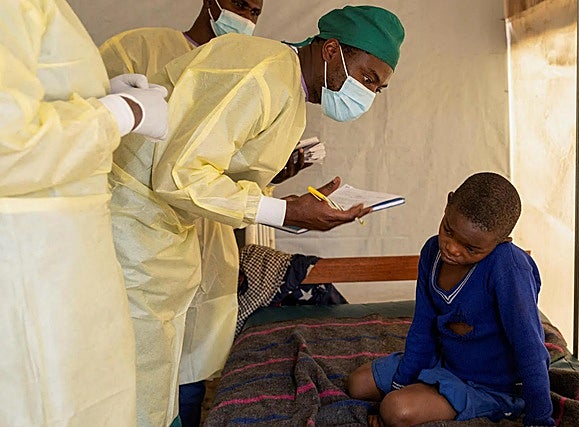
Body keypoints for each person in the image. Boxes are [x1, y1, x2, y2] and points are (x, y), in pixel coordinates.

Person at [105, 5, 405, 426]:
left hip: (165, 230)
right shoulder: (263, 72)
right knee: (131, 378)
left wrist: (295, 205)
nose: (368, 94)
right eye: (368, 79)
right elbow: (180, 172)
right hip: (133, 225)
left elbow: (224, 170)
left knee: (159, 372)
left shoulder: (289, 90)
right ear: (332, 49)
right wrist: (282, 211)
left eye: (379, 88)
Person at [99, 2, 270, 425]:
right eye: (238, 3)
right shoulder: (142, 47)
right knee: (132, 362)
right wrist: (124, 110)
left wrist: (280, 173)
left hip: (203, 235)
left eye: (254, 9)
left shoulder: (243, 74)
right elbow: (91, 126)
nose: (246, 15)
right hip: (135, 232)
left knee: (191, 359)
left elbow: (223, 169)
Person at [0, 0, 168, 425]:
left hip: (62, 254)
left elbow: (25, 96)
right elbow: (6, 145)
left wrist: (100, 93)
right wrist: (120, 114)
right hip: (32, 264)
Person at [347, 172, 556, 427]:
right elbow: (423, 326)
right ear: (448, 204)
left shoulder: (507, 266)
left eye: (471, 248)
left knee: (395, 410)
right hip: (444, 363)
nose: (452, 247)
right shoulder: (431, 251)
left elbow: (530, 347)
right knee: (357, 385)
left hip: (490, 385)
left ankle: (497, 408)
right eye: (448, 230)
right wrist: (403, 381)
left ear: (502, 242)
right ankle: (422, 389)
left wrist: (539, 418)